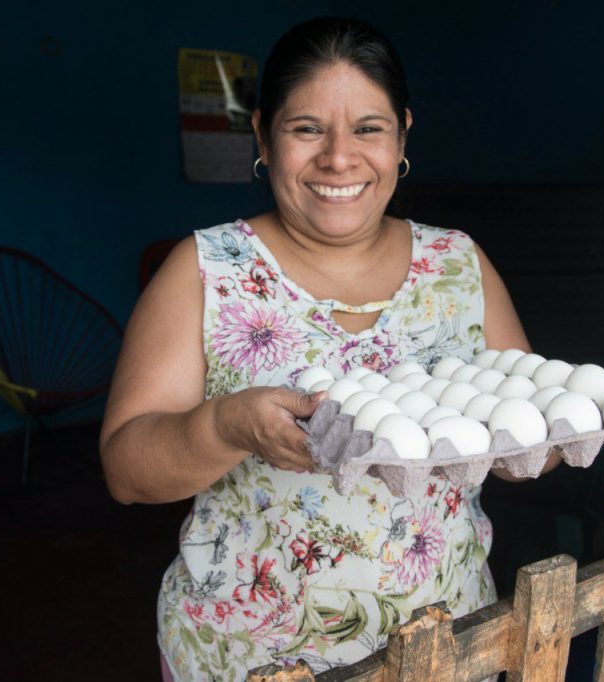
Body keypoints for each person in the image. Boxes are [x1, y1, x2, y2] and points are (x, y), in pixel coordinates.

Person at [99, 16, 561, 680]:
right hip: (247, 657)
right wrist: (228, 426)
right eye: (307, 129)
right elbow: (127, 471)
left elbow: (527, 436)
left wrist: (532, 443)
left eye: (368, 129)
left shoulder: (459, 265)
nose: (339, 158)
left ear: (402, 135)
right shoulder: (206, 270)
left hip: (440, 647)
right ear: (263, 135)